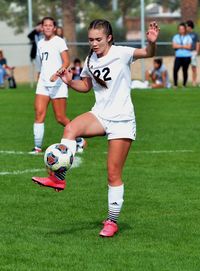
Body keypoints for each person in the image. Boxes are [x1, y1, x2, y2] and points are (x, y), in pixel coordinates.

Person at [32, 19, 160, 237]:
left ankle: (111, 221)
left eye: (98, 39)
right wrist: (69, 82)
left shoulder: (121, 53)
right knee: (70, 128)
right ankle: (58, 178)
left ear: (109, 38)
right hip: (100, 114)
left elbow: (147, 53)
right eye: (91, 39)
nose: (94, 43)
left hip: (121, 120)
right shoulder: (91, 58)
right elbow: (85, 86)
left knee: (113, 174)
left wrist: (152, 43)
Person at [30, 16, 71, 154]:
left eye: (50, 25)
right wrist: (39, 75)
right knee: (39, 113)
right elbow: (42, 63)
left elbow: (66, 62)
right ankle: (37, 148)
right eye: (45, 25)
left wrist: (57, 74)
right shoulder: (40, 43)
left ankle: (79, 139)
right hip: (43, 83)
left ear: (54, 28)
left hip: (57, 83)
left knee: (60, 118)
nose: (47, 27)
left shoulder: (59, 41)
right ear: (42, 28)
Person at [172, 22, 192, 88]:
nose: (181, 30)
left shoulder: (188, 37)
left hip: (187, 56)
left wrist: (179, 46)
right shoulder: (175, 37)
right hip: (178, 56)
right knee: (175, 70)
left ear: (185, 29)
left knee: (185, 70)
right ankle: (175, 84)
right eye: (180, 29)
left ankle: (184, 84)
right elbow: (174, 46)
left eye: (182, 29)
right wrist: (184, 46)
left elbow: (189, 47)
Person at [186, 20, 200, 86]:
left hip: (193, 52)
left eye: (187, 26)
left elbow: (197, 43)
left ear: (190, 26)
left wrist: (196, 52)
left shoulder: (195, 34)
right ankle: (185, 82)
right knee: (185, 67)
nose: (186, 27)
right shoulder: (185, 34)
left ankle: (194, 82)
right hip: (186, 53)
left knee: (193, 68)